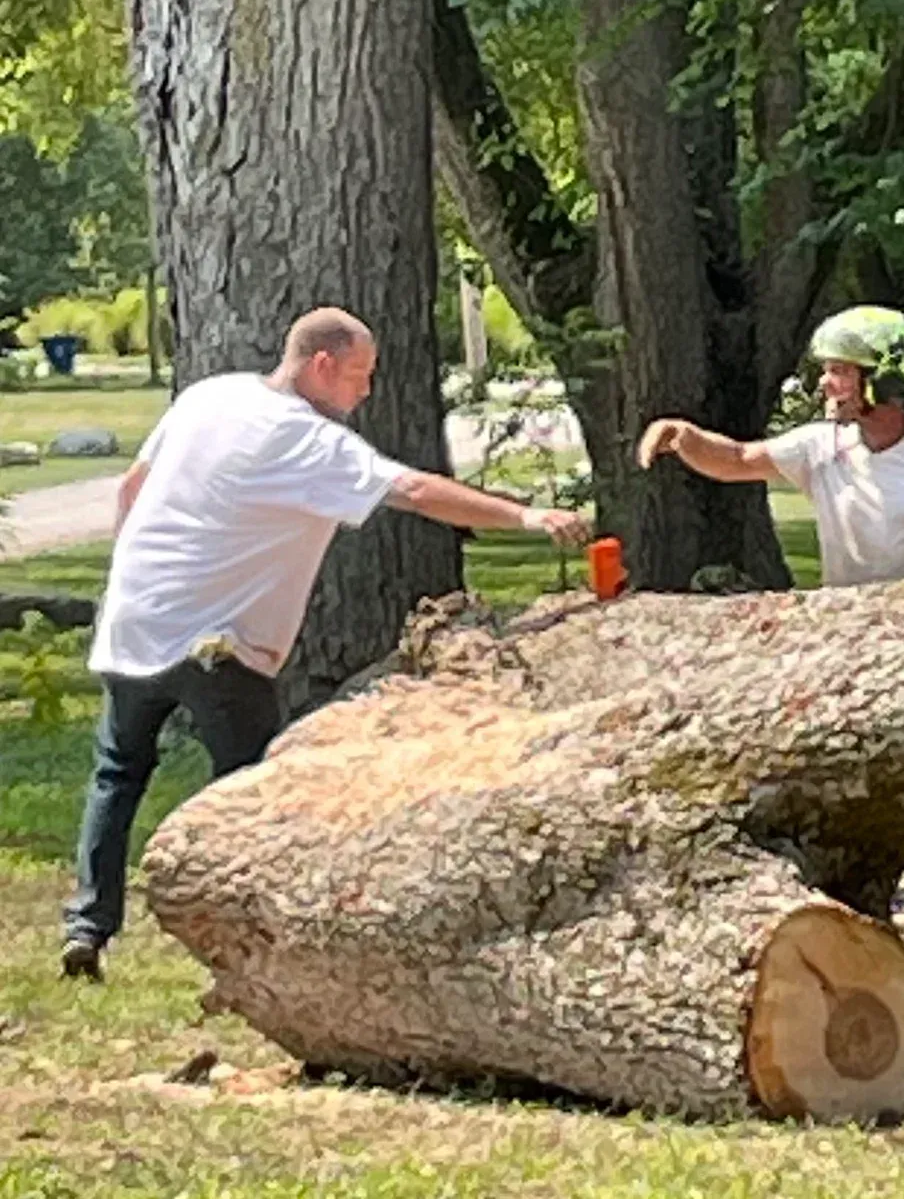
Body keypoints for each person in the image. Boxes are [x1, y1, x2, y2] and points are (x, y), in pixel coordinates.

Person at [62, 306, 590, 981]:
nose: (365, 392)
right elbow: (416, 490)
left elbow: (132, 488)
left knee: (117, 773)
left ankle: (86, 926)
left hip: (134, 622)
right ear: (321, 365)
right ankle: (245, 951)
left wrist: (134, 576)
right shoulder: (308, 441)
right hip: (216, 646)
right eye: (359, 376)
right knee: (249, 794)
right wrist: (526, 515)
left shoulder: (208, 396)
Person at [638, 306, 904, 587]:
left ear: (879, 380)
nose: (824, 384)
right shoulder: (818, 445)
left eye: (840, 371)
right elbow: (736, 459)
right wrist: (683, 435)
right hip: (844, 635)